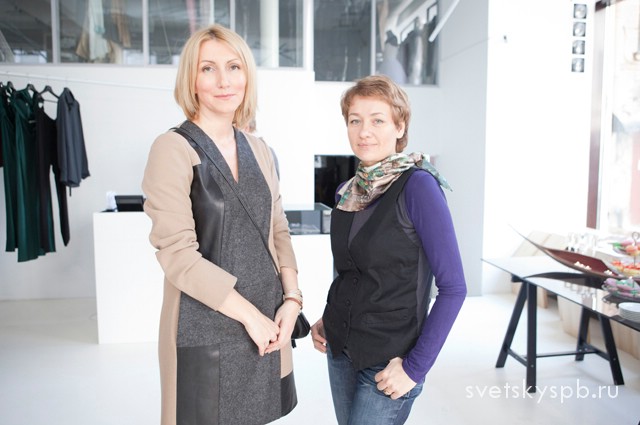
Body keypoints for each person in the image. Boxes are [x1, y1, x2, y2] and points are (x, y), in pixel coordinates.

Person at [142, 24, 302, 425]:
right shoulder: (172, 149)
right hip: (205, 324)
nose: (224, 81)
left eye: (234, 67)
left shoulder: (260, 150)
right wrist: (251, 316)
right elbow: (177, 254)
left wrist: (292, 300)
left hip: (268, 324)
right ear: (191, 80)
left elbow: (278, 230)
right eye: (208, 68)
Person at [310, 74, 467, 425]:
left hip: (390, 360)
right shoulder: (346, 192)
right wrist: (330, 318)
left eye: (377, 120)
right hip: (340, 349)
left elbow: (454, 288)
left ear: (400, 126)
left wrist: (415, 368)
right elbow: (351, 272)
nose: (364, 131)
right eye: (355, 120)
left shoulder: (419, 187)